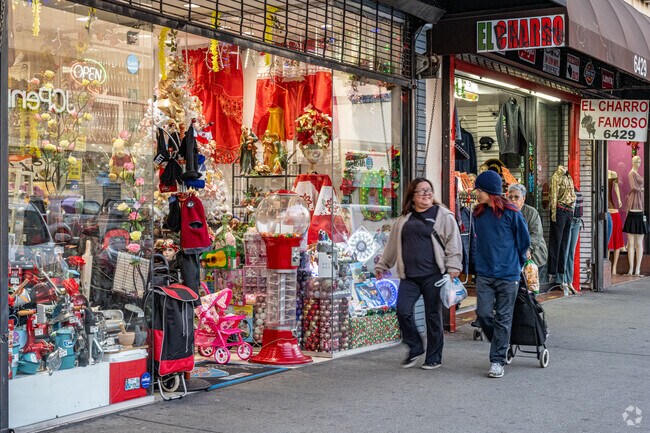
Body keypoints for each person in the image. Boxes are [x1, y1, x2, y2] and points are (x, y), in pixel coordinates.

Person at [375, 178, 463, 370]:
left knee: (433, 316)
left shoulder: (443, 215)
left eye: (429, 190)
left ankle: (434, 357)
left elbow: (453, 242)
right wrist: (383, 265)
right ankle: (415, 347)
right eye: (421, 191)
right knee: (403, 311)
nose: (426, 194)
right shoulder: (404, 218)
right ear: (412, 196)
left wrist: (454, 265)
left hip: (434, 275)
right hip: (409, 276)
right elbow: (392, 245)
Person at [473, 171, 530, 378]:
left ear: (489, 190)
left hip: (508, 275)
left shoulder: (512, 213)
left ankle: (497, 360)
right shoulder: (477, 213)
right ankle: (501, 344)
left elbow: (524, 243)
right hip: (485, 274)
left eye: (479, 190)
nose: (476, 193)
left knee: (504, 319)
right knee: (484, 314)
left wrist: (517, 265)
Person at [507, 183, 548, 282]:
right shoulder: (506, 213)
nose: (513, 200)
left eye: (516, 197)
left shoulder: (531, 212)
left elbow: (536, 234)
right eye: (510, 197)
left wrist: (528, 249)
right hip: (515, 258)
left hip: (535, 255)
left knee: (531, 289)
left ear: (523, 198)